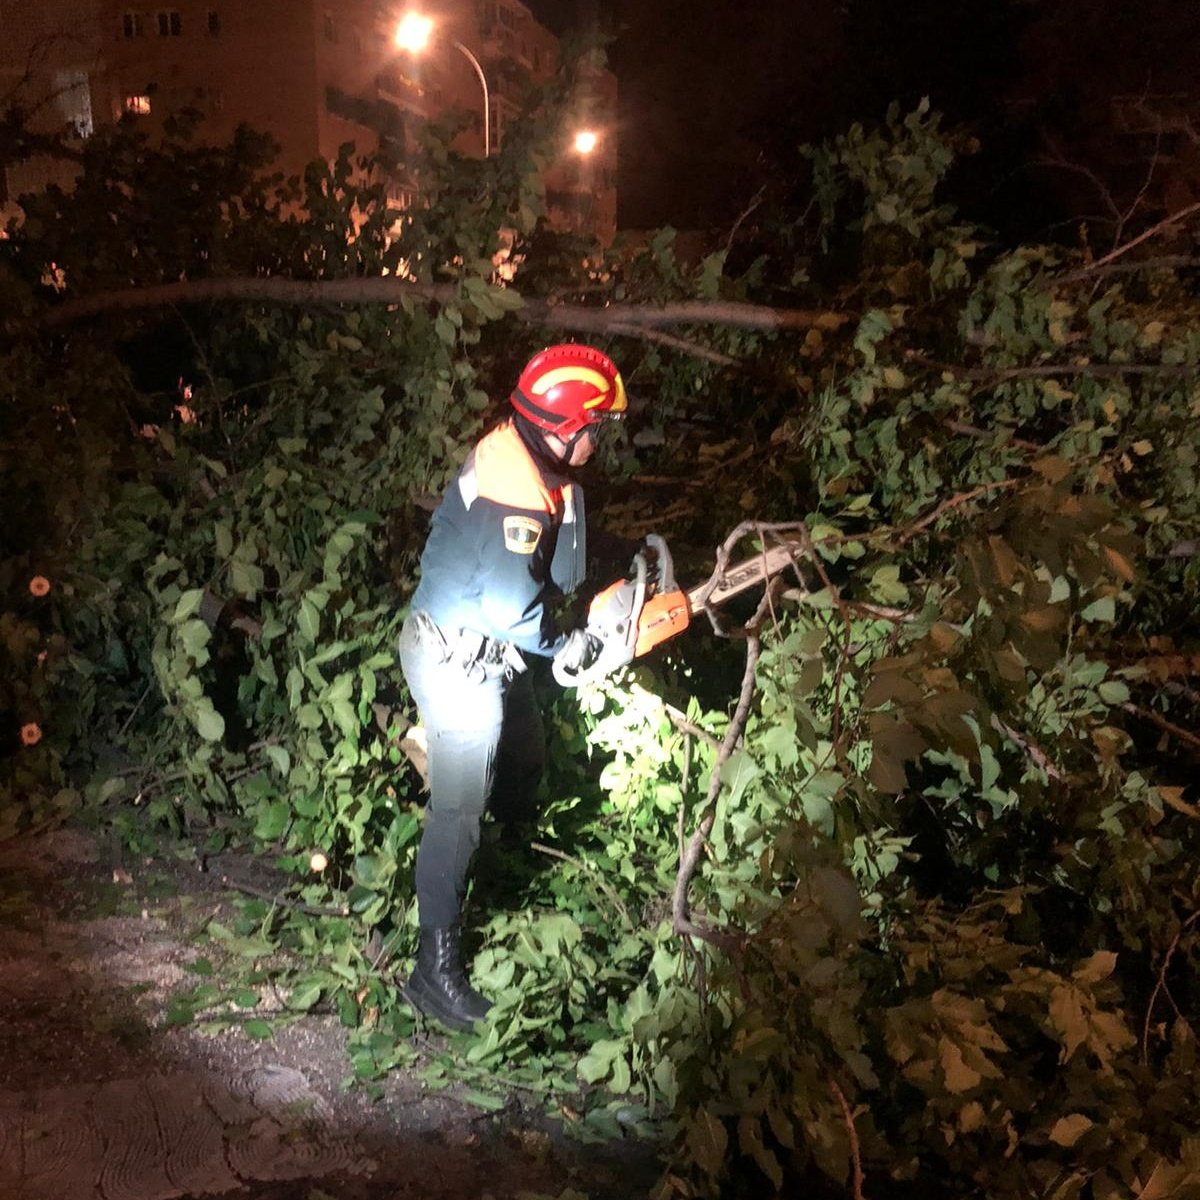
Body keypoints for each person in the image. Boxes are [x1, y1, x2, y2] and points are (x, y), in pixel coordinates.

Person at [398, 342, 627, 1031]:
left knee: (525, 756)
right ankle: (431, 971)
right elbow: (509, 609)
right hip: (457, 660)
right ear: (565, 428)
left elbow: (546, 569)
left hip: (489, 651)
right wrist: (571, 642)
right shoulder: (514, 493)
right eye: (597, 428)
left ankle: (507, 872)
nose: (601, 440)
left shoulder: (530, 458)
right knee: (459, 810)